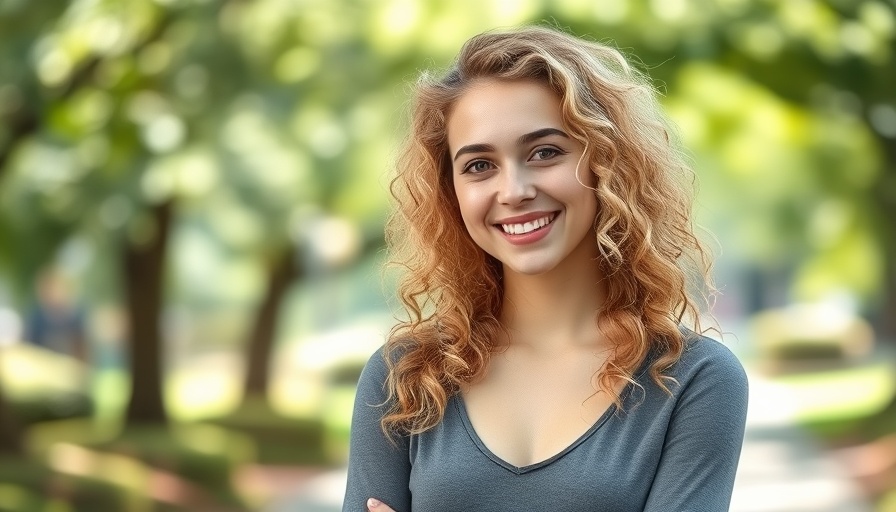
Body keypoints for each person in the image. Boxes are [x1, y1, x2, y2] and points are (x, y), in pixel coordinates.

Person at [343, 25, 749, 512]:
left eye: (545, 152)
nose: (513, 190)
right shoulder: (405, 378)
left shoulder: (694, 379)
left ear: (605, 163)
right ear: (450, 191)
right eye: (478, 166)